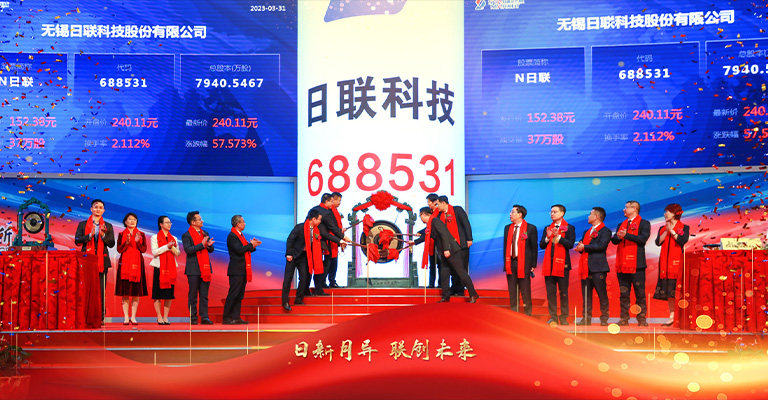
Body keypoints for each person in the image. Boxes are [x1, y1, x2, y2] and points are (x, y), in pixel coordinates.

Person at [74, 199, 115, 327]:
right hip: (86, 260)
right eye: (96, 207)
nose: (98, 209)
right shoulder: (82, 224)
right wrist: (89, 236)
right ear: (91, 209)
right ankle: (84, 317)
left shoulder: (108, 225)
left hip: (102, 261)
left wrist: (103, 235)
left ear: (103, 210)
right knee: (85, 290)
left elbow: (112, 243)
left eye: (100, 207)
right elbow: (77, 240)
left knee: (101, 291)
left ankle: (100, 318)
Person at [611, 200, 651, 326]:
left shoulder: (644, 223)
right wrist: (618, 237)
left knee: (640, 293)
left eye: (626, 207)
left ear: (634, 209)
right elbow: (614, 240)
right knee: (624, 294)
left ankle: (642, 319)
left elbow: (642, 239)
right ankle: (624, 319)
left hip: (637, 265)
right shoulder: (621, 224)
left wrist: (626, 235)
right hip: (622, 264)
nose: (624, 209)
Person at [432, 200, 479, 303]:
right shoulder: (439, 217)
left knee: (461, 271)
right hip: (446, 249)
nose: (437, 206)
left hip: (456, 246)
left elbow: (466, 224)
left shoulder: (456, 210)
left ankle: (472, 293)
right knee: (444, 273)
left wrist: (469, 238)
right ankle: (446, 296)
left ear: (443, 203)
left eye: (438, 204)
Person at [539, 204, 576, 325]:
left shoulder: (569, 228)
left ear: (562, 213)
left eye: (555, 212)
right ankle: (553, 317)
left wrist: (558, 237)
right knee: (551, 293)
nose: (552, 214)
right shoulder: (547, 228)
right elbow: (542, 245)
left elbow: (570, 244)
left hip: (562, 265)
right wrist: (547, 237)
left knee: (563, 292)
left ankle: (564, 317)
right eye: (551, 212)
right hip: (549, 265)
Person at [654, 204, 689, 327]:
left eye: (667, 212)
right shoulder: (662, 228)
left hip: (677, 264)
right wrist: (666, 231)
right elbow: (658, 242)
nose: (665, 214)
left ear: (674, 214)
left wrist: (673, 232)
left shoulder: (684, 227)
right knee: (669, 293)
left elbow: (682, 241)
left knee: (679, 292)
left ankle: (682, 316)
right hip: (665, 265)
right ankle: (672, 316)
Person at [575, 207, 612, 326]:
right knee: (586, 295)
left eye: (590, 214)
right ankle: (586, 318)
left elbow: (601, 246)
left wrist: (585, 247)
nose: (588, 216)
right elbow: (583, 245)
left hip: (598, 268)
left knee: (602, 294)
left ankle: (604, 318)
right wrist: (580, 248)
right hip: (585, 267)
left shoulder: (605, 231)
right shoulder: (587, 231)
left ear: (596, 216)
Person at [281, 209, 324, 312]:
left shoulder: (316, 230)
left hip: (304, 256)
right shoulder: (300, 227)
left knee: (304, 278)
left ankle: (299, 299)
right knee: (288, 278)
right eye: (319, 219)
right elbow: (290, 240)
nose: (320, 221)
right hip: (293, 255)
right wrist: (289, 254)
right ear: (313, 219)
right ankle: (285, 301)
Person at [223, 215, 262, 325]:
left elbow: (245, 249)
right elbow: (239, 250)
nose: (245, 224)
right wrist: (250, 245)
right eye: (243, 222)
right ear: (238, 224)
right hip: (236, 270)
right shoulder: (232, 236)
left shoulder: (240, 235)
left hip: (243, 270)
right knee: (233, 294)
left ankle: (236, 317)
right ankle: (226, 318)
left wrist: (253, 245)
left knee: (239, 296)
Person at [309, 194, 349, 295]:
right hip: (321, 242)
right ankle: (320, 286)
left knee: (313, 265)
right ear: (327, 201)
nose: (333, 203)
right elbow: (331, 228)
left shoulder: (314, 209)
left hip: (312, 240)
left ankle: (313, 288)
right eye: (332, 201)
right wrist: (342, 238)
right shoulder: (326, 212)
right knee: (323, 264)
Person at [503, 205, 538, 315]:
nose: (510, 214)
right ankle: (514, 314)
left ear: (520, 214)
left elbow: (534, 248)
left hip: (524, 263)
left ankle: (528, 315)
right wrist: (505, 263)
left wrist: (533, 264)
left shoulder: (530, 228)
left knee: (525, 291)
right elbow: (505, 247)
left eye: (512, 212)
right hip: (511, 262)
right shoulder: (507, 228)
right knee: (513, 291)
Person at [182, 211, 215, 325]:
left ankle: (204, 317)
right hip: (193, 269)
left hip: (205, 268)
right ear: (193, 222)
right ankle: (193, 317)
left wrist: (209, 246)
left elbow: (210, 250)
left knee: (204, 295)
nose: (202, 221)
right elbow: (188, 250)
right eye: (200, 219)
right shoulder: (186, 235)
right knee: (193, 295)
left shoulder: (205, 233)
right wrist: (202, 244)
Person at [115, 213, 148, 325]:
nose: (132, 221)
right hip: (124, 265)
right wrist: (126, 242)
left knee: (135, 293)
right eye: (130, 219)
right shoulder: (121, 234)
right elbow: (119, 249)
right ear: (125, 222)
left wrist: (138, 242)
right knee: (125, 292)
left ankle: (133, 317)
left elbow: (144, 250)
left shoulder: (141, 234)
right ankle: (126, 317)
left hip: (137, 265)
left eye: (134, 219)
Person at [150, 215, 180, 325]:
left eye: (170, 222)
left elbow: (177, 253)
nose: (169, 224)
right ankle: (159, 316)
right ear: (161, 224)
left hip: (171, 268)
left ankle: (166, 317)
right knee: (157, 295)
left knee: (168, 295)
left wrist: (171, 247)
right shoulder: (154, 237)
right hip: (159, 268)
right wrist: (167, 246)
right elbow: (154, 252)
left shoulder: (174, 238)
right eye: (167, 222)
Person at [421, 193, 442, 288]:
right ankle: (431, 283)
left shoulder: (439, 214)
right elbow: (428, 228)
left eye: (429, 202)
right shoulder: (431, 213)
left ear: (435, 202)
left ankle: (440, 284)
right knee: (432, 264)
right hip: (431, 243)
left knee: (440, 265)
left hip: (438, 242)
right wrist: (420, 232)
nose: (428, 203)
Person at [326, 192, 345, 288]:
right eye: (339, 200)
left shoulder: (336, 211)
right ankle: (325, 282)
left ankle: (332, 281)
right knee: (329, 262)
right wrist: (341, 234)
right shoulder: (329, 212)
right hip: (330, 240)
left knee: (333, 262)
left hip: (335, 239)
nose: (340, 202)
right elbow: (332, 227)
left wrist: (341, 231)